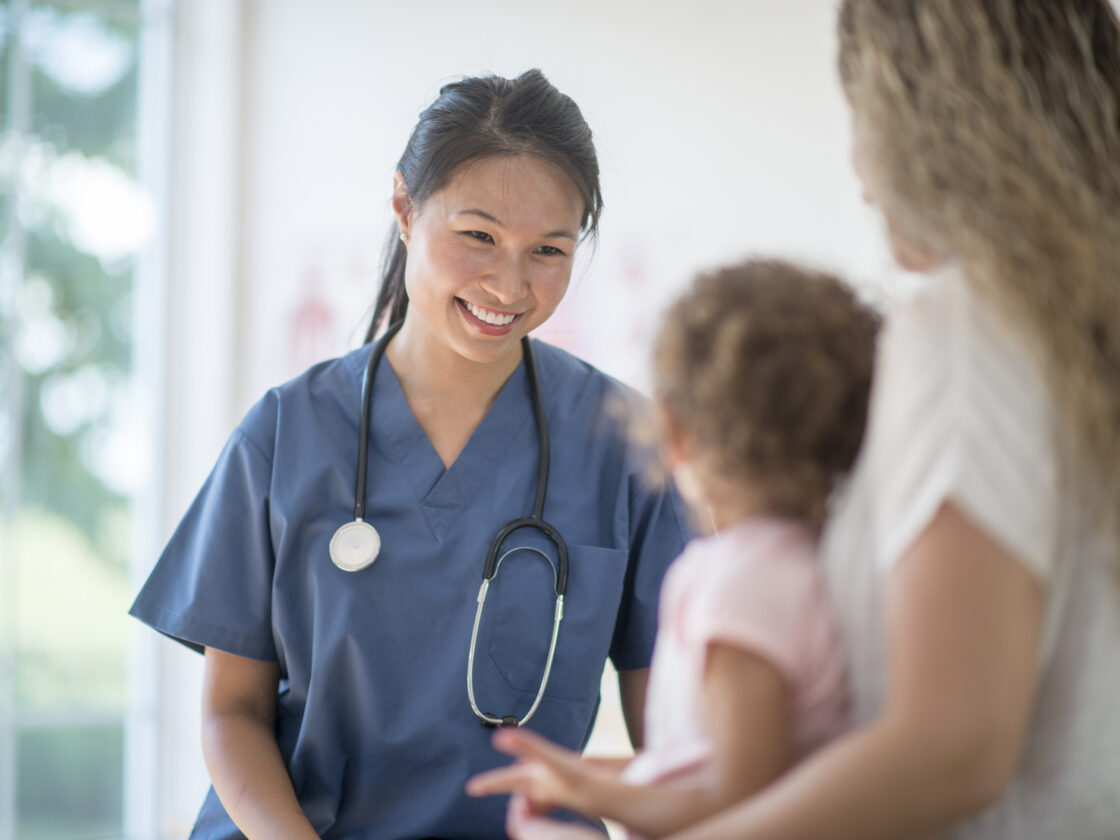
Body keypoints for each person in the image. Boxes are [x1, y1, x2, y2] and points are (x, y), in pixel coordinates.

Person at [492, 2, 1120, 839]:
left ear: (936, 123)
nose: (860, 172)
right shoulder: (1071, 329)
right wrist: (626, 781)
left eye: (864, 120)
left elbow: (952, 747)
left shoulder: (971, 331)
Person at [128, 69, 689, 839]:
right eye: (478, 236)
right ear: (404, 207)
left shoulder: (626, 446)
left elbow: (675, 742)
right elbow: (231, 713)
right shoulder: (287, 432)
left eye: (549, 250)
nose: (510, 282)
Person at [467, 260, 880, 838]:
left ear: (674, 431)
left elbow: (738, 804)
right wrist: (590, 784)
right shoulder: (830, 562)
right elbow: (718, 768)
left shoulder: (739, 586)